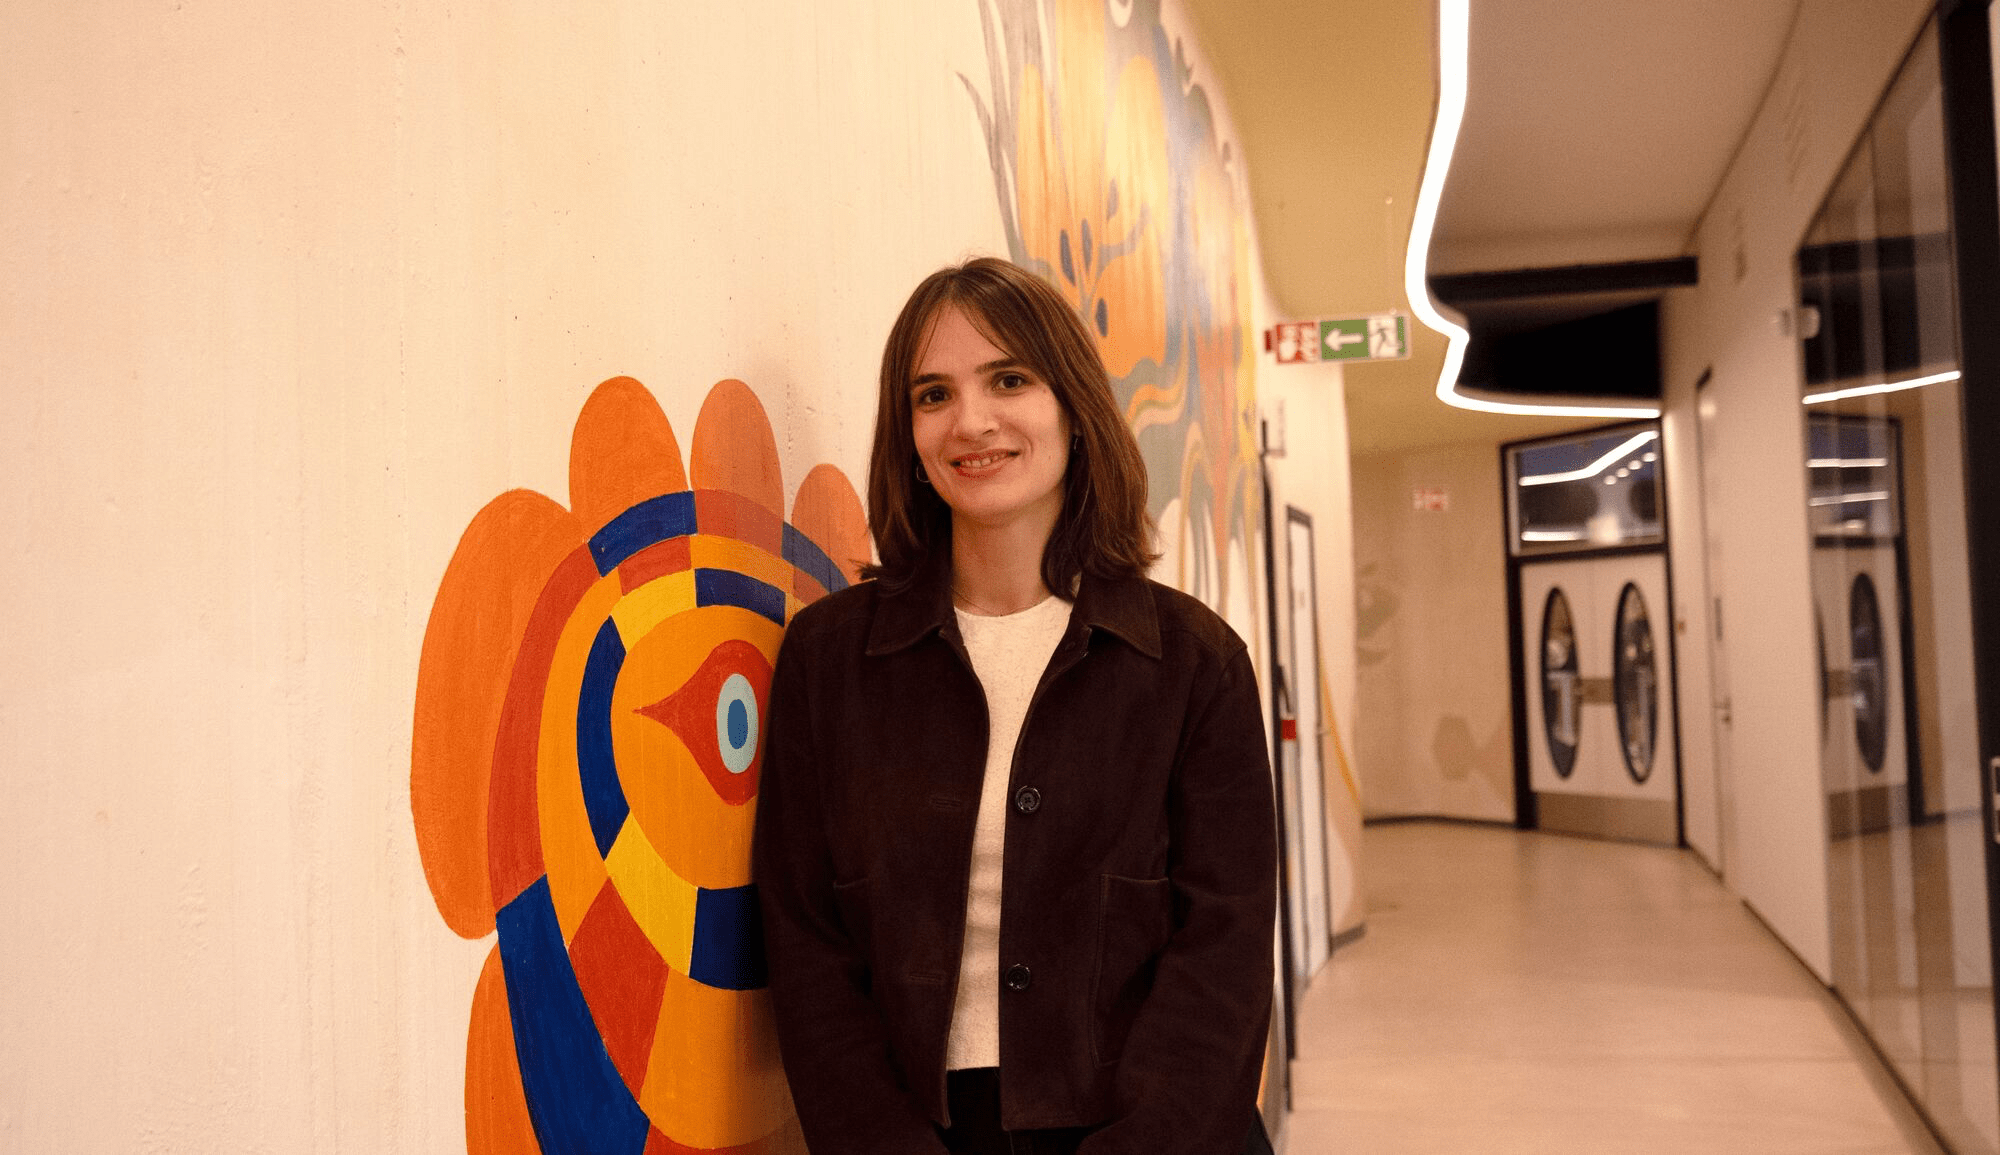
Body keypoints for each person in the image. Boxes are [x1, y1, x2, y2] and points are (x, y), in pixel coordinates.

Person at [753, 257, 1277, 1155]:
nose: (971, 421)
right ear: (908, 435)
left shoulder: (1195, 663)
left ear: (1072, 406)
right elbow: (805, 945)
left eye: (1008, 380)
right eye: (933, 394)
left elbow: (1223, 956)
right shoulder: (828, 660)